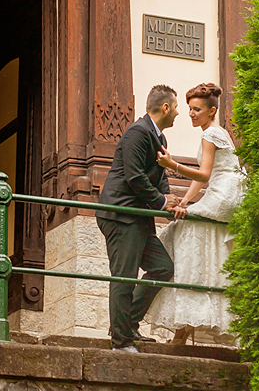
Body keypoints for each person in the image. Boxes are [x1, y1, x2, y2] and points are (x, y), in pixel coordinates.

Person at [146, 82, 245, 345]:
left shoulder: (210, 134)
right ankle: (184, 328)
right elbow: (201, 181)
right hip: (224, 193)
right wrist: (185, 202)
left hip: (224, 196)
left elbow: (203, 174)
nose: (191, 114)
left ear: (212, 111)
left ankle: (183, 328)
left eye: (197, 109)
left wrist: (172, 164)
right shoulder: (216, 131)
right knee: (188, 228)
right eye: (189, 109)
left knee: (180, 230)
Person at [96, 84, 181, 353]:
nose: (178, 113)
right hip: (121, 214)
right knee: (124, 276)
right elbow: (134, 177)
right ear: (165, 107)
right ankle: (121, 342)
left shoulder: (160, 140)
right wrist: (162, 202)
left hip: (140, 218)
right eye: (176, 107)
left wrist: (168, 201)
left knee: (162, 268)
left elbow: (159, 177)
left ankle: (127, 323)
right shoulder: (137, 132)